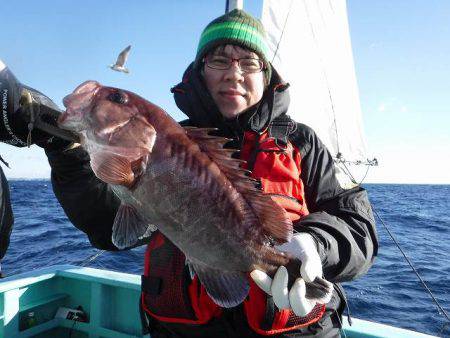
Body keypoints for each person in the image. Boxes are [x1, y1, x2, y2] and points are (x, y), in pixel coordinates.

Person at [0, 9, 378, 338]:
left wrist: (315, 244)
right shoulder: (165, 143)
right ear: (199, 72)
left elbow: (358, 228)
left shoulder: (303, 143)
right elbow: (109, 230)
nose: (234, 74)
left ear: (266, 75)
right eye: (218, 60)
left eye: (249, 62)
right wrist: (67, 152)